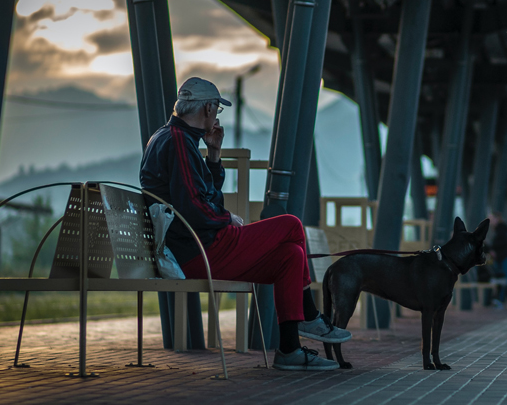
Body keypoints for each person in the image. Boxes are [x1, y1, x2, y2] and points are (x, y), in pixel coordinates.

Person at [140, 77, 350, 371]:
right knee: (290, 224)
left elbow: (206, 197)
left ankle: (289, 350)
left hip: (195, 248)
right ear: (208, 108)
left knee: (290, 256)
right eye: (216, 109)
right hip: (198, 252)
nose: (216, 115)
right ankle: (311, 316)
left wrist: (214, 155)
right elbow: (196, 208)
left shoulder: (171, 138)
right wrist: (228, 220)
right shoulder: (177, 142)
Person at [487, 211, 507, 307]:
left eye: (491, 219)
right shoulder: (502, 229)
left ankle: (505, 300)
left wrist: (493, 249)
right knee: (503, 279)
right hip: (502, 257)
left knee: (503, 279)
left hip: (503, 257)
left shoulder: (501, 230)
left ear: (497, 219)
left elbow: (502, 243)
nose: (490, 222)